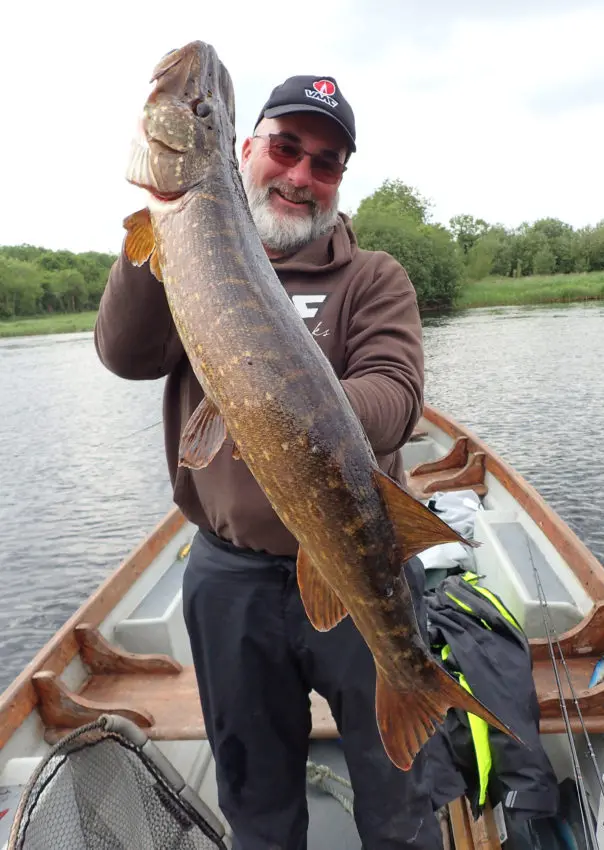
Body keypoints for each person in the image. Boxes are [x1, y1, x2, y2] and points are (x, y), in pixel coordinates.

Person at [95, 74, 441, 850]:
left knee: (398, 804)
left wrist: (287, 396)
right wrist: (151, 225)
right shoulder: (187, 248)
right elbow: (123, 354)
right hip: (230, 578)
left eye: (325, 163)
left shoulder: (372, 276)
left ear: (339, 182)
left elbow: (396, 392)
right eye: (285, 148)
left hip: (361, 559)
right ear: (241, 150)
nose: (299, 174)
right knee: (256, 799)